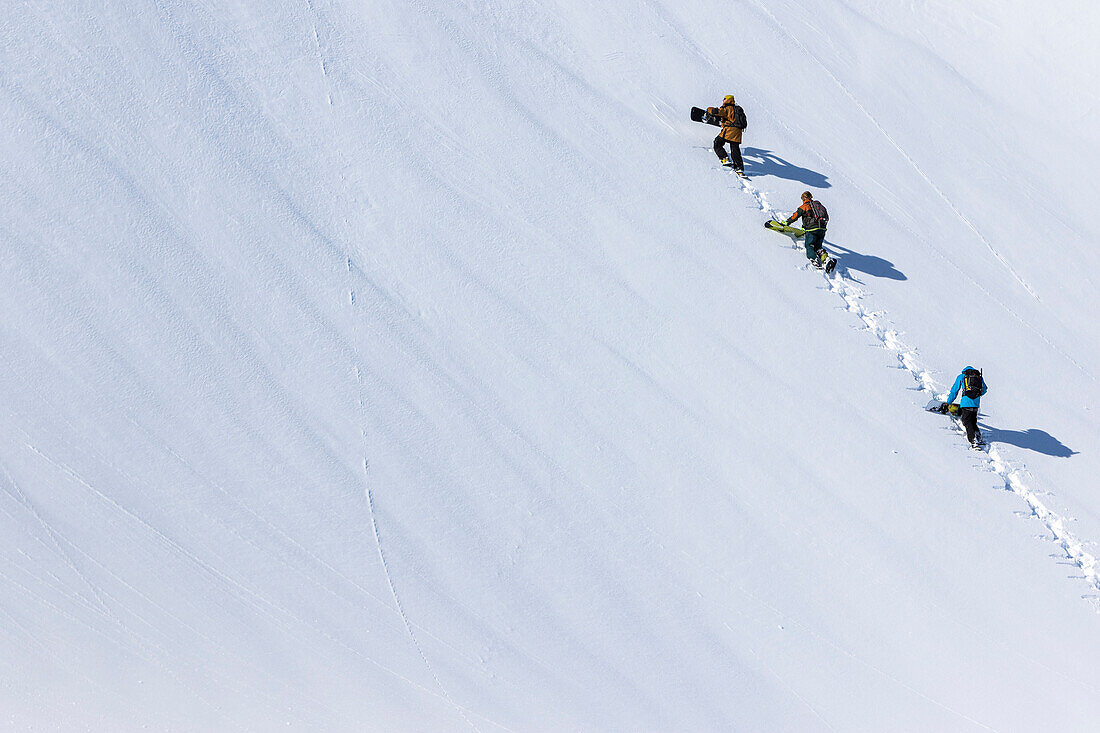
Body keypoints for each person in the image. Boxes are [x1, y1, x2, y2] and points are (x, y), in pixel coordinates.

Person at [943, 366, 988, 446]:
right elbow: (984, 389)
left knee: (967, 421)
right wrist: (976, 395)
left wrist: (948, 402)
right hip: (976, 404)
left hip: (966, 403)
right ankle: (979, 438)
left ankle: (973, 441)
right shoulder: (979, 377)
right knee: (973, 422)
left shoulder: (962, 376)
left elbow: (954, 390)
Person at [786, 191, 829, 267]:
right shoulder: (819, 206)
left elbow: (795, 216)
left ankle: (814, 260)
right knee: (818, 247)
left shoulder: (805, 206)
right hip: (822, 228)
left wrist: (787, 222)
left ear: (804, 198)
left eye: (802, 199)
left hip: (812, 230)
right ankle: (826, 259)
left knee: (809, 245)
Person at [706, 95, 745, 174]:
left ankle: (724, 158)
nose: (723, 100)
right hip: (738, 132)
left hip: (729, 131)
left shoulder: (727, 108)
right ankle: (739, 168)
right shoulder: (738, 109)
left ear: (728, 100)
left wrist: (709, 109)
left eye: (724, 99)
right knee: (735, 150)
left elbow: (716, 112)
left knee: (717, 143)